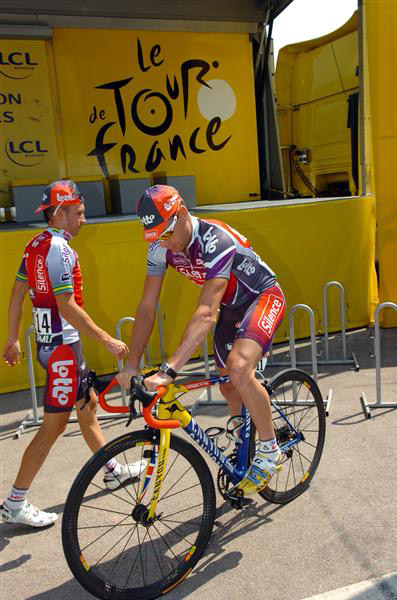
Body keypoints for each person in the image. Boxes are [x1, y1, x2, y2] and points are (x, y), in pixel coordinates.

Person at [117, 184, 286, 495]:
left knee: (238, 367)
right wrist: (131, 364)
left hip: (262, 296)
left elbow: (207, 313)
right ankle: (243, 441)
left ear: (181, 214)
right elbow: (146, 307)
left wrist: (169, 369)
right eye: (155, 236)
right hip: (233, 307)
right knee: (226, 384)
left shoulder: (215, 239)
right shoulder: (160, 247)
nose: (162, 242)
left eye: (166, 233)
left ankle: (269, 448)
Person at [1, 180, 145, 528]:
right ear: (60, 213)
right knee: (53, 427)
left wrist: (13, 339)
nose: (84, 219)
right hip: (63, 350)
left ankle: (111, 470)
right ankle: (14, 502)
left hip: (53, 348)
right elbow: (67, 306)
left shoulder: (35, 244)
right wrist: (107, 339)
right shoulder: (60, 250)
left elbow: (18, 294)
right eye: (79, 213)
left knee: (88, 406)